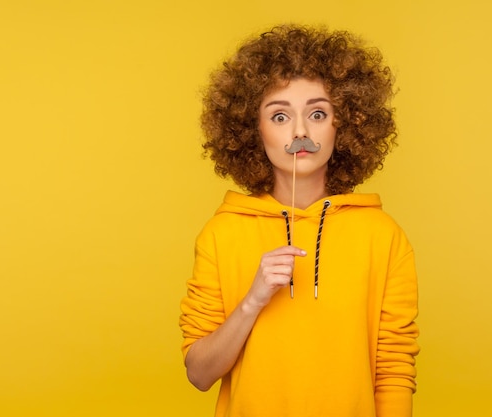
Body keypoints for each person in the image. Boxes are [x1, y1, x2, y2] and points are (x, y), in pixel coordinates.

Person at [179, 24, 419, 417]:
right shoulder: (221, 234)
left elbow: (393, 371)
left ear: (345, 124)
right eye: (279, 116)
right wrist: (253, 300)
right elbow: (199, 374)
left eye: (318, 113)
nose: (301, 131)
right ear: (251, 129)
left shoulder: (384, 235)